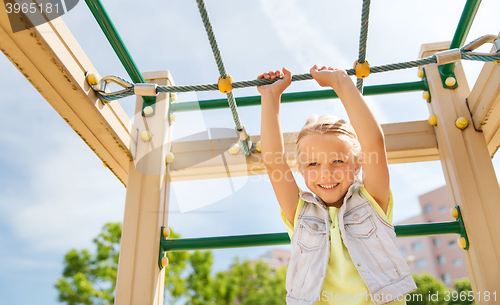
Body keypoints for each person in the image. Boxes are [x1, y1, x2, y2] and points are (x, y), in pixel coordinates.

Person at [258, 65, 417, 305]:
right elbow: (273, 163)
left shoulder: (372, 200)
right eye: (313, 164)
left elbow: (374, 143)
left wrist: (342, 83)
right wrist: (270, 97)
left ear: (358, 164)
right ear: (300, 170)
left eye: (337, 161)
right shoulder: (300, 212)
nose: (326, 174)